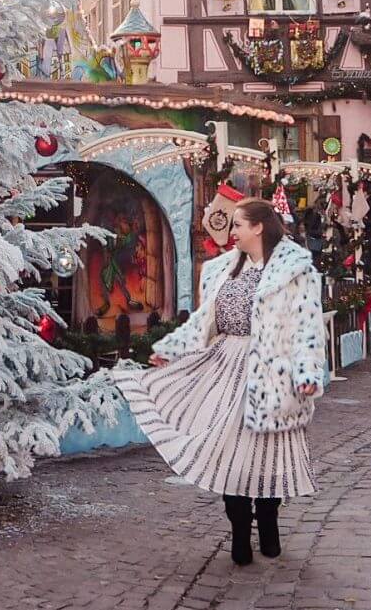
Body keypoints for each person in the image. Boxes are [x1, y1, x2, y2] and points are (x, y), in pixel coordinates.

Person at [114, 199, 326, 566]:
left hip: (272, 370)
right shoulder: (220, 270)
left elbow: (307, 326)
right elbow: (202, 321)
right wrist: (173, 350)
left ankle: (270, 524)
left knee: (267, 453)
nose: (233, 233)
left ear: (259, 227)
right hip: (224, 366)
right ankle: (240, 534)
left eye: (239, 225)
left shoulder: (296, 270)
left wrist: (307, 374)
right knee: (227, 451)